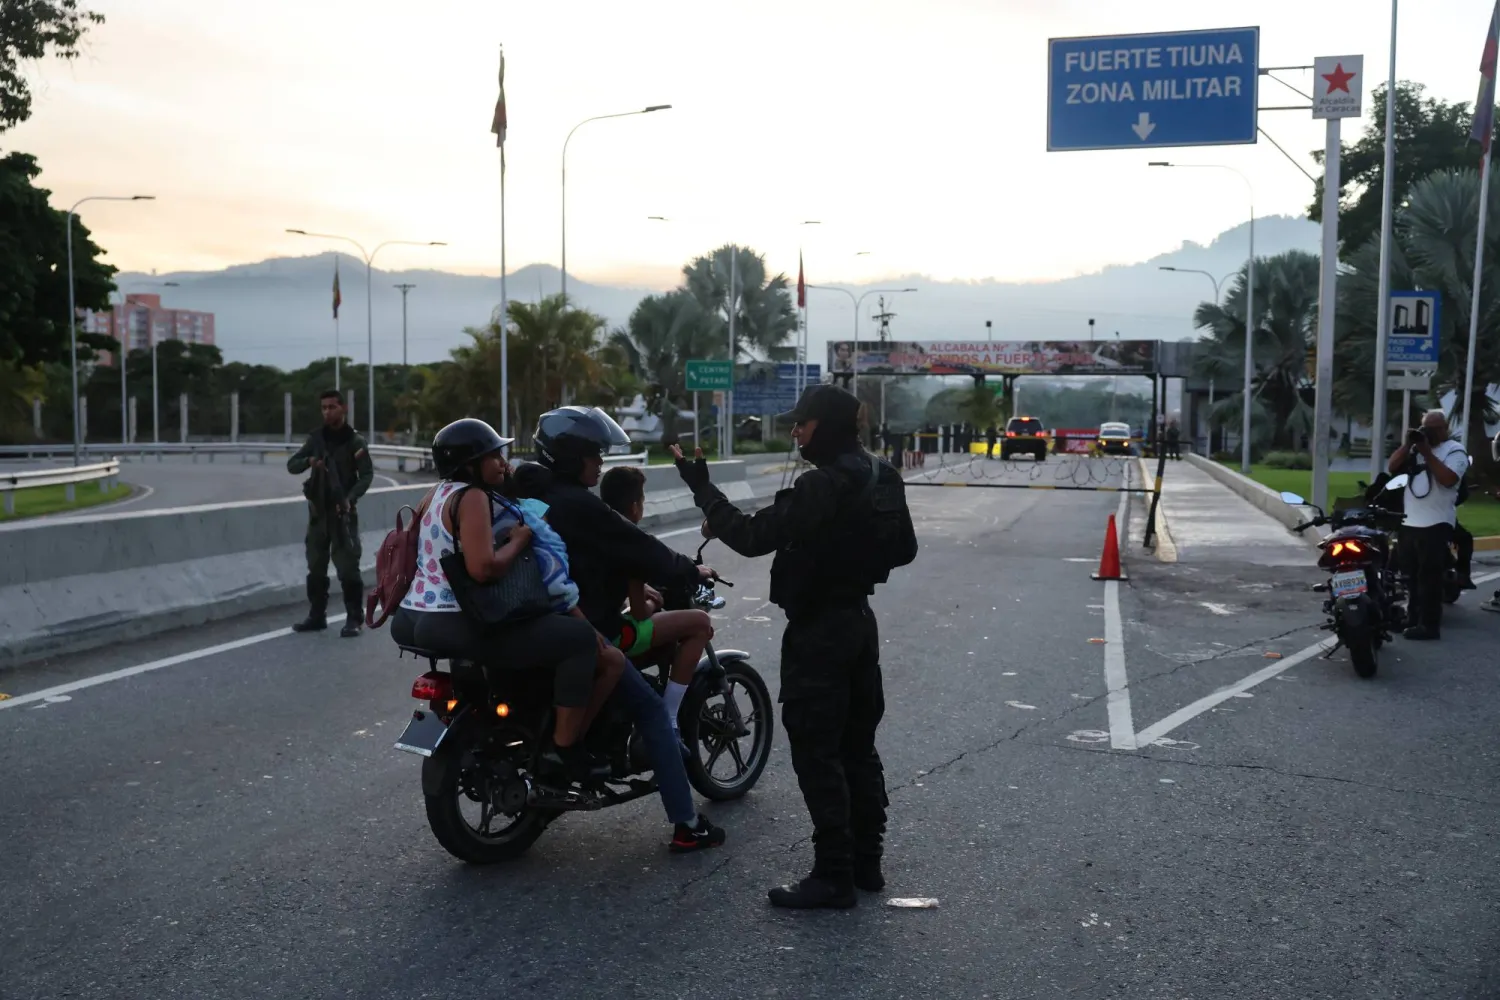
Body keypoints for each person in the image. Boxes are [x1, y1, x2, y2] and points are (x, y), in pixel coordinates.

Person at [672, 383, 917, 910]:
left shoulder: (821, 487)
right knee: (857, 745)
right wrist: (853, 555)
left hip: (819, 631)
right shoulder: (882, 475)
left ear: (823, 426)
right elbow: (905, 549)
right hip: (858, 621)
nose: (795, 433)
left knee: (815, 748)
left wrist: (703, 489)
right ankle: (866, 863)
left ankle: (833, 875)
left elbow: (753, 536)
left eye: (801, 424)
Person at [531, 406, 726, 852]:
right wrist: (691, 571)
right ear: (573, 456)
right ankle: (686, 826)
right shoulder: (583, 507)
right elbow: (645, 551)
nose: (599, 464)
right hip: (588, 631)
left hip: (538, 626)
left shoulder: (531, 490)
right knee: (653, 713)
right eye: (593, 454)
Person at [389, 418, 622, 782]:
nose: (502, 463)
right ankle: (563, 750)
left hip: (413, 618)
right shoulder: (473, 497)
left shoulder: (432, 495)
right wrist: (520, 541)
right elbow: (484, 569)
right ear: (470, 465)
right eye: (493, 456)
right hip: (455, 619)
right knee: (578, 641)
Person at [598, 465, 717, 743]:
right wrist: (655, 601)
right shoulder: (630, 540)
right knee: (699, 622)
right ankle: (670, 717)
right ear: (635, 505)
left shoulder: (597, 528)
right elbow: (640, 613)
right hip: (615, 635)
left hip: (590, 626)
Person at [288, 389, 374, 637]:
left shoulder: (354, 441)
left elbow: (366, 475)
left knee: (348, 568)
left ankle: (354, 618)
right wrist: (310, 463)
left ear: (343, 408)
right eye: (323, 407)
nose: (327, 412)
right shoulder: (315, 440)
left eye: (332, 407)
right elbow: (292, 465)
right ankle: (317, 616)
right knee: (315, 567)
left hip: (342, 514)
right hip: (318, 515)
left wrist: (350, 498)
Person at [1389, 409, 1469, 641]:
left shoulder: (1455, 450)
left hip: (1437, 522)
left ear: (1445, 429)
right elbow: (1392, 467)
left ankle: (1429, 625)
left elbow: (1448, 480)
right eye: (1425, 427)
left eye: (1434, 428)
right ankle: (1412, 619)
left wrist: (1427, 452)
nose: (1429, 433)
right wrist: (1408, 445)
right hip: (1410, 521)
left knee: (1429, 578)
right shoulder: (1416, 450)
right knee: (1410, 577)